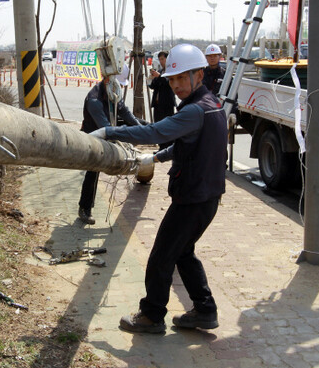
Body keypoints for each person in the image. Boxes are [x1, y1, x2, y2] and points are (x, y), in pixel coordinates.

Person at [89, 44, 228, 334]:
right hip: (208, 197)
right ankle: (205, 310)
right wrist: (156, 157)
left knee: (161, 256)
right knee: (183, 252)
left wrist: (110, 131)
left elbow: (154, 131)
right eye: (172, 79)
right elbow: (184, 143)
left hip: (192, 199)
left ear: (199, 74)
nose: (175, 85)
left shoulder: (194, 111)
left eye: (181, 78)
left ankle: (151, 316)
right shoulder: (212, 105)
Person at [78, 64, 141, 225]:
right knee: (92, 172)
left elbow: (124, 111)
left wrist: (141, 129)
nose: (119, 88)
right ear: (107, 80)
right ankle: (84, 209)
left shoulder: (112, 92)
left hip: (107, 131)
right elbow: (107, 129)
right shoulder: (95, 100)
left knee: (140, 124)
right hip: (93, 137)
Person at [149, 51, 176, 150]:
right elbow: (152, 86)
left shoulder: (171, 71)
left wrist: (159, 77)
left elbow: (168, 83)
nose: (161, 61)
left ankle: (168, 147)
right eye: (160, 59)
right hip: (157, 104)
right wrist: (153, 77)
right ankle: (161, 147)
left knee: (167, 126)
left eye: (163, 59)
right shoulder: (160, 71)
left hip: (166, 104)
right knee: (158, 125)